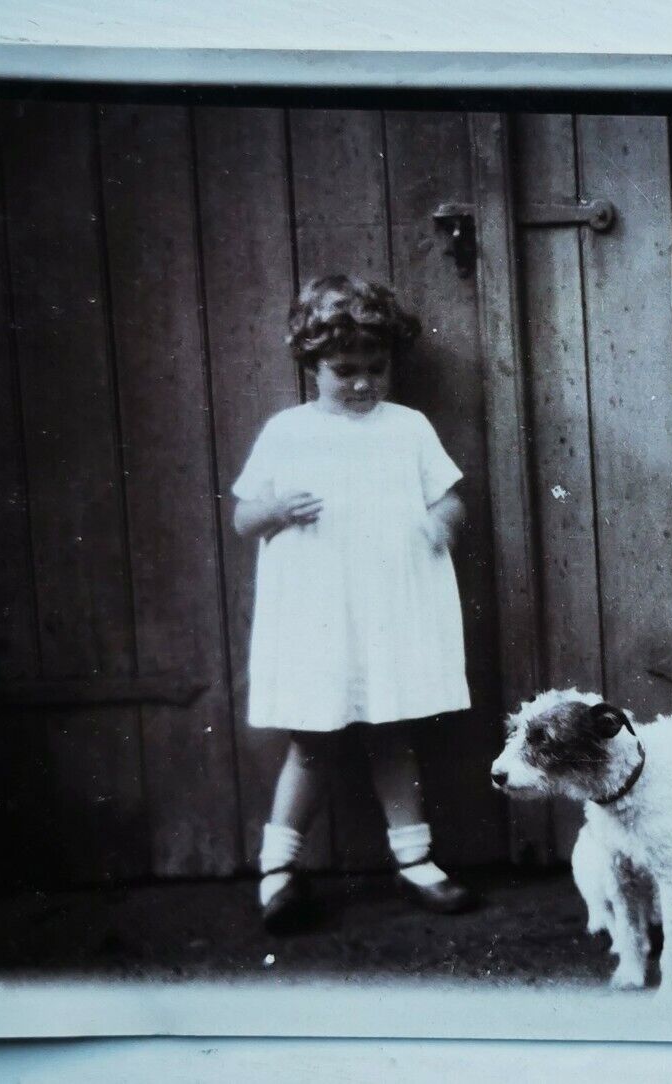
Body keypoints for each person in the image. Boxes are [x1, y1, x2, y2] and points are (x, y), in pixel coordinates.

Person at [233, 274, 477, 933]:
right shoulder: (288, 432)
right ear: (311, 365)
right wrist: (277, 508)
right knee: (312, 743)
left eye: (377, 367)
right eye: (346, 371)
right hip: (318, 612)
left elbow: (448, 497)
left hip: (386, 607)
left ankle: (416, 861)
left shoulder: (409, 428)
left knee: (391, 734)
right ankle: (278, 872)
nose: (364, 383)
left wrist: (441, 523)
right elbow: (244, 517)